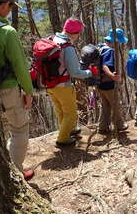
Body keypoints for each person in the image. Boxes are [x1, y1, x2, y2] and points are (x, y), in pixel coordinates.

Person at [0, 0, 34, 180]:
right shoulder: (6, 31)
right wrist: (28, 91)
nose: (10, 11)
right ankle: (15, 174)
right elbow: (20, 65)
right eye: (11, 7)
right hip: (7, 89)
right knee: (19, 128)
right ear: (4, 5)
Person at [47, 18, 94, 147]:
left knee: (60, 111)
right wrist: (90, 72)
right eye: (78, 33)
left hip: (49, 84)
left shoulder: (52, 40)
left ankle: (68, 131)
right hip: (63, 85)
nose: (78, 36)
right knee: (71, 114)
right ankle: (62, 139)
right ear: (73, 33)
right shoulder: (67, 47)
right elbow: (75, 72)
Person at [97, 28, 128, 134]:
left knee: (105, 105)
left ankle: (102, 126)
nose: (119, 44)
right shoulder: (109, 51)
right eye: (119, 42)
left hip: (100, 83)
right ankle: (120, 125)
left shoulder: (101, 48)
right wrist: (112, 76)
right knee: (115, 104)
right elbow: (105, 66)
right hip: (108, 83)